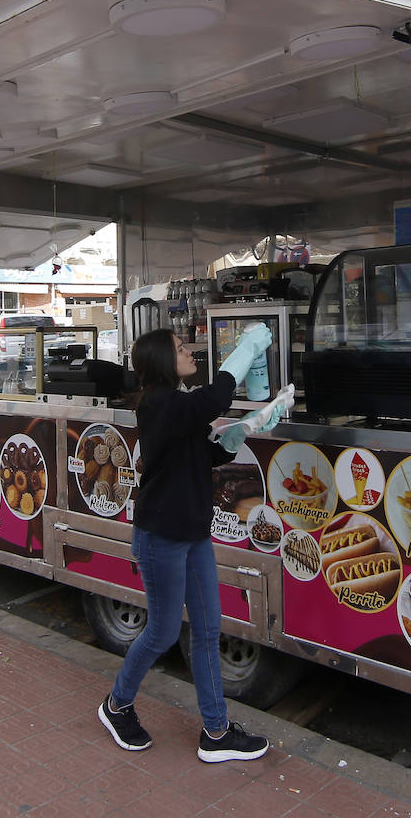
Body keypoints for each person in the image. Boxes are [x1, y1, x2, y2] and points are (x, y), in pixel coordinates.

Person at [97, 322, 286, 763]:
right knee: (163, 631)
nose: (190, 353)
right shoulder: (159, 404)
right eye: (182, 349)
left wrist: (250, 426)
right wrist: (245, 350)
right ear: (164, 361)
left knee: (206, 631)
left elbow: (207, 452)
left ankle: (216, 732)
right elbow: (215, 398)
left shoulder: (178, 406)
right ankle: (117, 704)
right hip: (161, 537)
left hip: (194, 534)